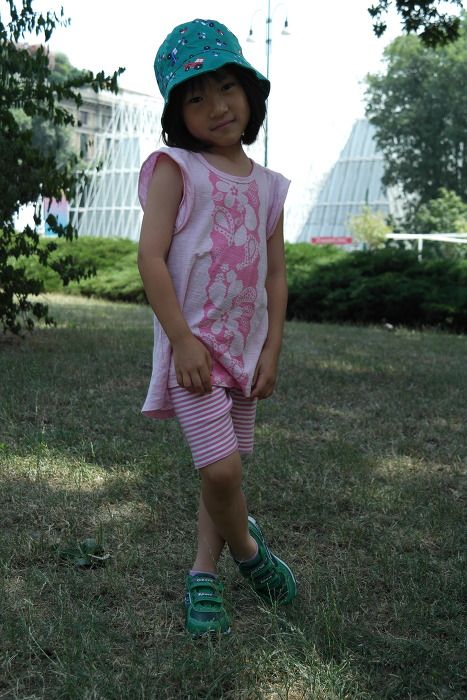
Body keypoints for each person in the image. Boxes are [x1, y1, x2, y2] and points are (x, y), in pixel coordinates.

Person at [137, 18, 297, 637]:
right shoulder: (176, 168)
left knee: (223, 471)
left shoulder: (269, 188)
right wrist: (181, 340)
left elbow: (276, 276)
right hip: (196, 355)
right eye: (196, 97)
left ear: (250, 94)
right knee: (222, 472)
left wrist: (272, 349)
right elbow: (150, 258)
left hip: (244, 353)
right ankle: (249, 553)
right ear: (178, 114)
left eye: (227, 87)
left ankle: (203, 573)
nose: (217, 106)